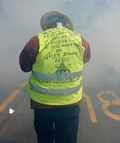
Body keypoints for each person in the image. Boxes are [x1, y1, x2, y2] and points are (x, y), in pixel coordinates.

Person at [19, 11, 91, 143]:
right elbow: (85, 59)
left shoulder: (36, 41)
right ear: (67, 25)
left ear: (46, 25)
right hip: (70, 103)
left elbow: (24, 67)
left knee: (44, 139)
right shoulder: (81, 40)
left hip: (42, 104)